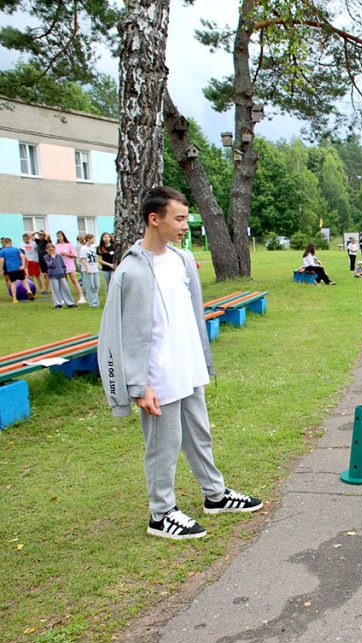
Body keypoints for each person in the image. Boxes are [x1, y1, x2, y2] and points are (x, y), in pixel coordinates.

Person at [97, 186, 263, 540]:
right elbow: (116, 334)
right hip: (157, 376)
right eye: (180, 218)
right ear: (154, 220)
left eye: (186, 218)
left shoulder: (181, 260)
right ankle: (161, 514)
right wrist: (137, 386)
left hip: (186, 368)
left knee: (199, 436)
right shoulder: (131, 272)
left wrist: (200, 364)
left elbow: (190, 316)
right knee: (163, 445)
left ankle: (215, 496)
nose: (185, 225)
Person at [54, 230, 85, 304]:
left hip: (69, 265)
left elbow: (74, 255)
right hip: (60, 266)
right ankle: (64, 298)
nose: (59, 238)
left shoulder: (69, 245)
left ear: (63, 236)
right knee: (63, 282)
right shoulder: (56, 246)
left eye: (60, 236)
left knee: (74, 280)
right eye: (58, 236)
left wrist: (66, 254)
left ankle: (81, 296)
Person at [42, 242, 75, 308]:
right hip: (53, 275)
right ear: (47, 250)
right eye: (50, 250)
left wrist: (63, 271)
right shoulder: (46, 257)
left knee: (66, 288)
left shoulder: (59, 256)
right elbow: (51, 265)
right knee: (55, 289)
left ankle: (70, 303)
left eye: (52, 250)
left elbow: (63, 265)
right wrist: (52, 257)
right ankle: (57, 304)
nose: (51, 251)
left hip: (61, 274)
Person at [1, 237, 31, 304]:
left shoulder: (2, 251)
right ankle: (29, 291)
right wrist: (23, 265)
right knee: (24, 281)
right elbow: (23, 256)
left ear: (4, 243)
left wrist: (1, 270)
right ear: (11, 242)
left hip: (11, 269)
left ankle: (14, 299)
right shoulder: (16, 249)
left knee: (13, 283)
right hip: (19, 267)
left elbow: (2, 260)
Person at [78, 233, 101, 307]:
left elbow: (96, 257)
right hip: (87, 269)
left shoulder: (93, 248)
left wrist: (98, 265)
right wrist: (87, 269)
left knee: (97, 285)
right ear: (88, 239)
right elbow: (83, 259)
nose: (94, 240)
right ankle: (93, 302)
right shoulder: (83, 248)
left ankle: (96, 300)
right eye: (92, 239)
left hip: (95, 269)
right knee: (90, 286)